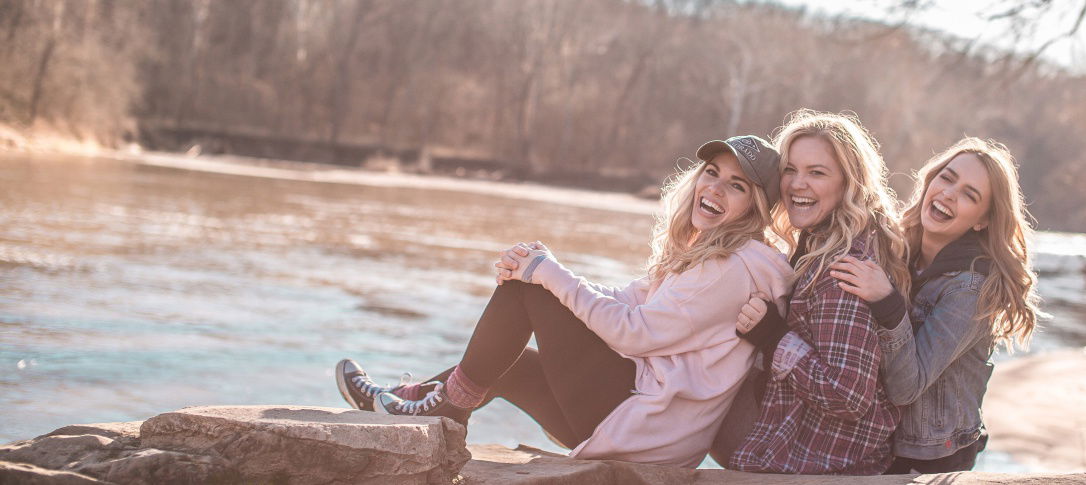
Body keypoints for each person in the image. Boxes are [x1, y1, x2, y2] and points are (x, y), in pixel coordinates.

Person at [334, 135, 794, 467]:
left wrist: (545, 275)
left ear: (756, 206)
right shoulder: (711, 254)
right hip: (641, 418)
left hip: (645, 430)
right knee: (510, 361)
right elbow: (629, 300)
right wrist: (544, 270)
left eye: (736, 185)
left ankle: (436, 409)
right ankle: (408, 402)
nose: (713, 188)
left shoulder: (731, 268)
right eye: (712, 173)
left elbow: (634, 333)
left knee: (526, 294)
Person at [828, 137, 1041, 473]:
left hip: (930, 457)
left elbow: (905, 388)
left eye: (970, 195)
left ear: (982, 220)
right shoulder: (899, 249)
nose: (949, 194)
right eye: (947, 177)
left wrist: (887, 301)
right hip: (879, 441)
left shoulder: (970, 289)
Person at [724, 109, 913, 475]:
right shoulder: (820, 245)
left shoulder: (842, 269)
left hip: (818, 464)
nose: (797, 184)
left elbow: (848, 394)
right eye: (790, 170)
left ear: (848, 184)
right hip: (803, 447)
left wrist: (773, 337)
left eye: (817, 172)